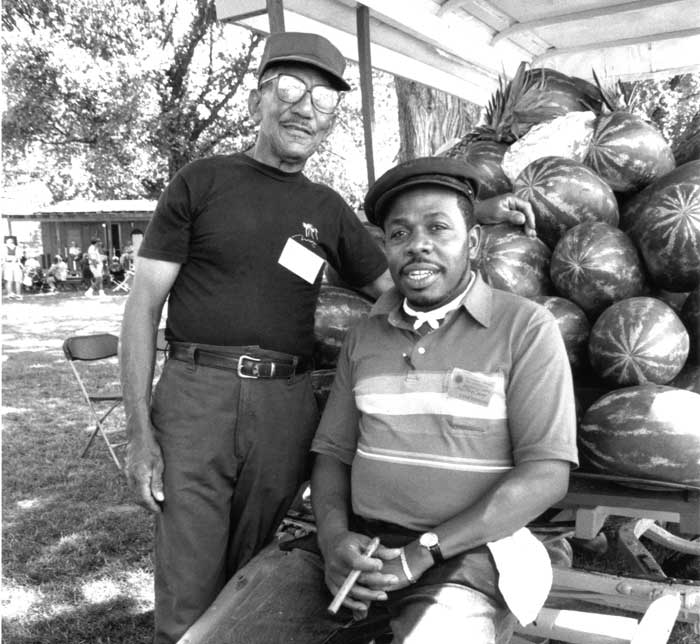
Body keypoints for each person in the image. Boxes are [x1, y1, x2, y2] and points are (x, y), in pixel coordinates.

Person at [120, 32, 537, 644]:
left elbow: (404, 276)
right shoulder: (200, 181)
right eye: (289, 89)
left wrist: (483, 216)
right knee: (187, 567)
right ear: (259, 97)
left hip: (287, 404)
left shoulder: (328, 208)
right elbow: (141, 308)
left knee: (253, 570)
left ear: (331, 118)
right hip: (197, 393)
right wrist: (138, 432)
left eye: (323, 98)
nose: (304, 107)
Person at [182, 157, 578, 644]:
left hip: (469, 554)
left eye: (438, 228)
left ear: (473, 242)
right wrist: (332, 542)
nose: (419, 246)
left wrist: (422, 552)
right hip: (361, 545)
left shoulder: (525, 328)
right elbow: (332, 454)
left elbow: (547, 475)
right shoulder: (363, 337)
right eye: (400, 233)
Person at [2, 236, 24, 300]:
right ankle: (10, 295)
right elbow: (3, 258)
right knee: (9, 280)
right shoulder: (4, 248)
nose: (9, 242)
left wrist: (20, 264)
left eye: (10, 241)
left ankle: (18, 295)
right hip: (8, 264)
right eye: (7, 241)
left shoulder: (18, 248)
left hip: (16, 264)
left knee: (18, 280)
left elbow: (19, 257)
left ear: (13, 242)